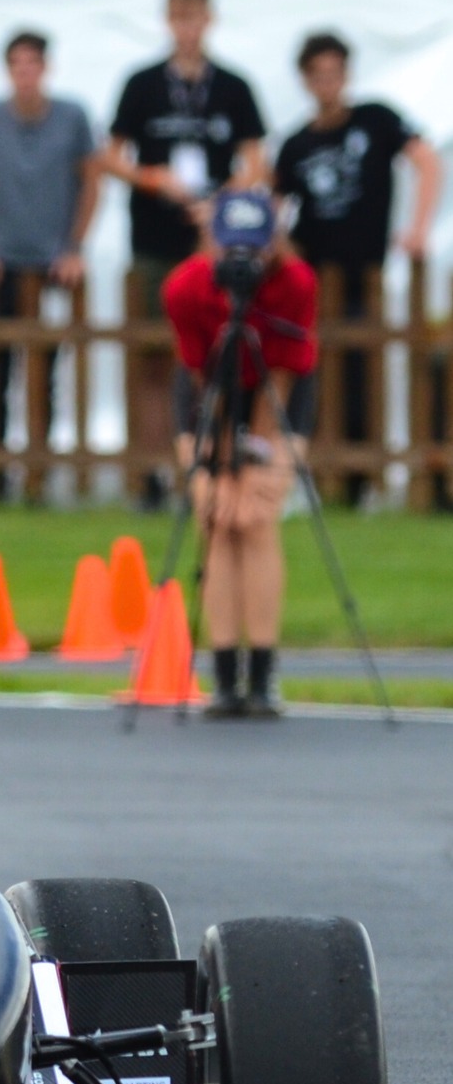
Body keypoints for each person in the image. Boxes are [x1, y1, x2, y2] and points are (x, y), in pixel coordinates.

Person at [102, 0, 268, 503]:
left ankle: (211, 456)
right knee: (153, 354)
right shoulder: (143, 83)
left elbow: (256, 158)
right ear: (168, 21)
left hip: (212, 242)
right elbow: (111, 155)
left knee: (211, 353)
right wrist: (155, 180)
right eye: (179, 17)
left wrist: (222, 202)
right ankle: (155, 467)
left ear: (209, 20)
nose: (188, 27)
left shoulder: (233, 86)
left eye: (195, 18)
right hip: (155, 237)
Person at [164, 190, 316, 719]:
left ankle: (264, 671)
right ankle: (225, 672)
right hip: (210, 396)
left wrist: (257, 459)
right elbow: (201, 380)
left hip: (277, 395)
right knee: (217, 516)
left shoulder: (295, 283)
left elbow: (286, 373)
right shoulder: (186, 288)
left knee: (256, 516)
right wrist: (212, 466)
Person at [276, 30, 443, 500]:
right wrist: (288, 258)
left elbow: (427, 160)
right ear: (306, 80)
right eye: (319, 74)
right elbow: (273, 207)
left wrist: (419, 226)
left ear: (347, 75)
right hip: (313, 277)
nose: (329, 83)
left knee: (360, 376)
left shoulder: (376, 120)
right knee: (311, 373)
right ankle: (312, 473)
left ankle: (357, 480)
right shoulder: (296, 144)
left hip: (363, 274)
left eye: (336, 72)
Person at [0, 32, 98, 496]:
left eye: (32, 63)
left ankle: (39, 469)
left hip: (53, 264)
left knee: (47, 368)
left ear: (45, 68)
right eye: (17, 64)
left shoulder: (72, 118)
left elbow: (91, 182)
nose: (25, 73)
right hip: (2, 259)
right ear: (8, 70)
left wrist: (75, 246)